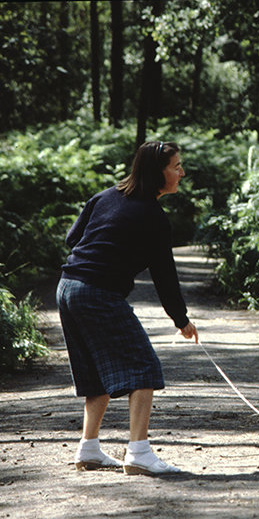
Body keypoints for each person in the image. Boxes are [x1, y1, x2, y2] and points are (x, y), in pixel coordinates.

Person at [57, 140, 198, 475]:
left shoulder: (105, 196)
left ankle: (89, 449)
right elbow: (165, 276)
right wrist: (181, 320)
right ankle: (139, 453)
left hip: (66, 288)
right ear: (157, 172)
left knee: (95, 376)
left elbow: (72, 239)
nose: (182, 172)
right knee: (144, 368)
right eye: (176, 166)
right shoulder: (154, 217)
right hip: (96, 293)